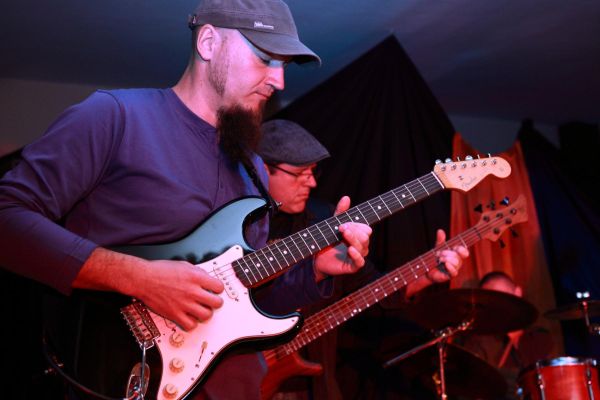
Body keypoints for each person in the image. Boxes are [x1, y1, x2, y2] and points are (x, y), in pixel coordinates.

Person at [0, 1, 373, 399]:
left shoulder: (253, 168)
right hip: (114, 372)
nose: (279, 81)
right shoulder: (114, 117)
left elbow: (241, 301)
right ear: (209, 42)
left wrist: (314, 270)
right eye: (265, 58)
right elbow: (7, 219)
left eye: (284, 66)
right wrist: (137, 277)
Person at [256, 119, 470, 399]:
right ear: (262, 169)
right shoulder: (234, 226)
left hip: (313, 388)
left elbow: (375, 290)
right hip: (239, 377)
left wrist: (426, 274)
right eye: (299, 173)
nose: (312, 182)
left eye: (313, 171)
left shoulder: (325, 220)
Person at [459, 271, 555, 400]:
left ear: (517, 292)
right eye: (491, 302)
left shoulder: (540, 338)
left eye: (503, 297)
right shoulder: (479, 342)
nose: (498, 306)